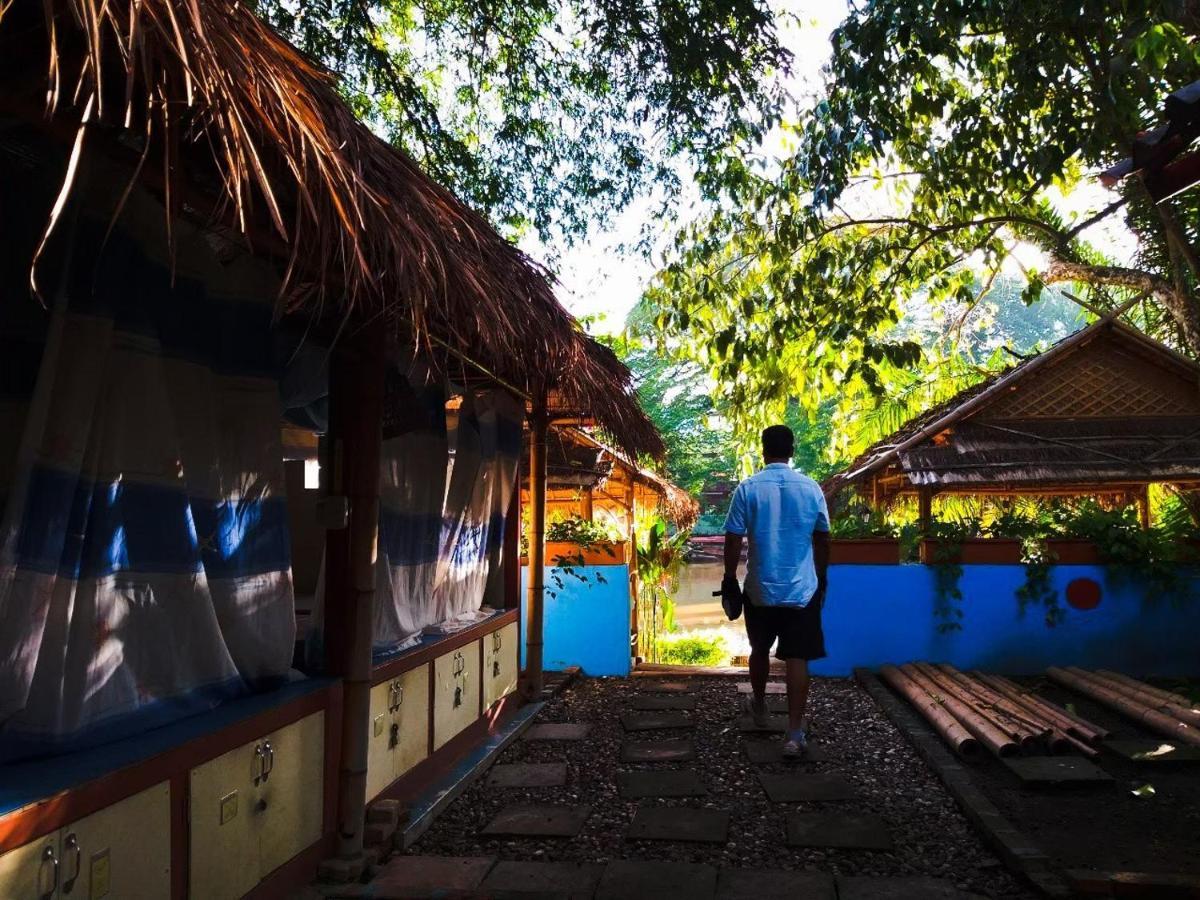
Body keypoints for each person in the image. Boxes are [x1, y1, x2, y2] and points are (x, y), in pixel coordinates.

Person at [721, 424, 830, 758]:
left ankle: (759, 705)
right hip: (801, 589)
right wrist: (822, 579)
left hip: (760, 588)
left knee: (758, 650)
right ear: (792, 450)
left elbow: (733, 536)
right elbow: (823, 536)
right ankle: (794, 733)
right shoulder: (811, 488)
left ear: (763, 449)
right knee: (797, 658)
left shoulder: (748, 488)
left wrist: (729, 578)